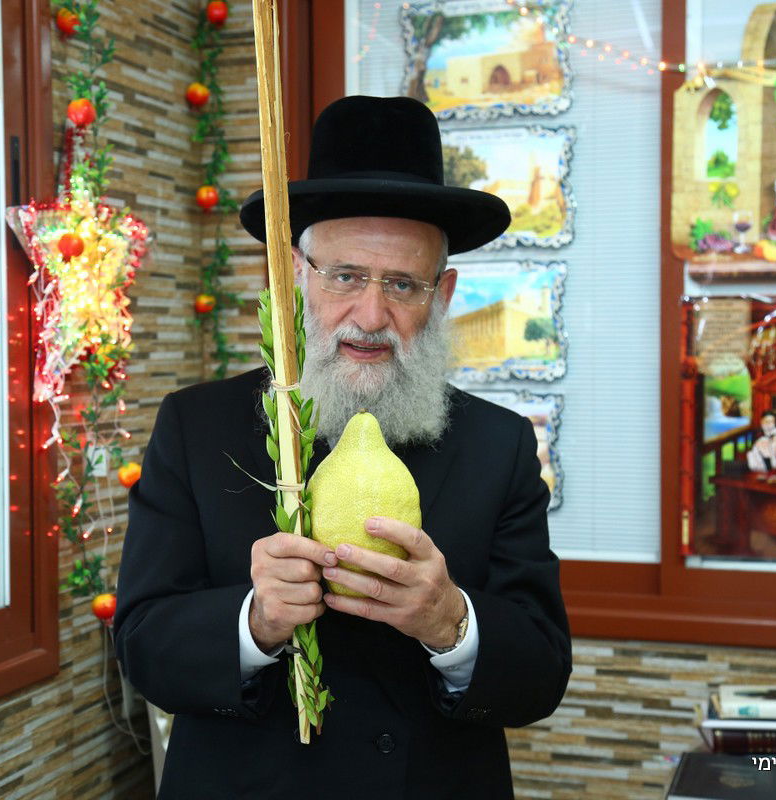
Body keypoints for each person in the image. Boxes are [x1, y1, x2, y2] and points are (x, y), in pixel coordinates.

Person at [114, 96, 571, 800]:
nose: (371, 315)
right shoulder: (197, 428)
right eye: (346, 276)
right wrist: (256, 621)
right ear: (296, 276)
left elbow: (542, 672)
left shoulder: (499, 446)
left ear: (443, 294)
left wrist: (451, 622)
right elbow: (142, 648)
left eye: (403, 285)